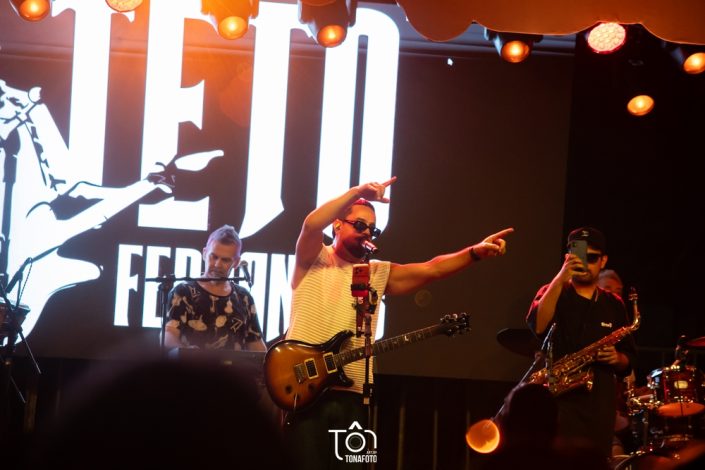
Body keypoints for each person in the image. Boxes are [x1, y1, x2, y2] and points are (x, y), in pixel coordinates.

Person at [284, 176, 513, 468]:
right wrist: (358, 192)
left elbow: (431, 269)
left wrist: (474, 253)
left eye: (372, 228)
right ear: (337, 224)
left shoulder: (376, 272)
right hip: (307, 393)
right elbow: (311, 225)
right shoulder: (314, 258)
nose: (367, 232)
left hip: (354, 396)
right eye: (359, 224)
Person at [526, 227, 637, 459]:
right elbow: (538, 327)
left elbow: (629, 358)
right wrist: (560, 277)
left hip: (599, 408)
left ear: (603, 261)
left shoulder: (614, 304)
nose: (585, 263)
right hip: (559, 405)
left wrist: (617, 358)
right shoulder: (552, 291)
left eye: (592, 258)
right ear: (568, 257)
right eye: (579, 256)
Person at [163, 225, 265, 352]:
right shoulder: (183, 291)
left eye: (225, 260)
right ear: (204, 253)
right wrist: (186, 352)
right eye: (214, 257)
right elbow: (169, 335)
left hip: (234, 366)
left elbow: (256, 344)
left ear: (236, 262)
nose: (217, 264)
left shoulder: (243, 297)